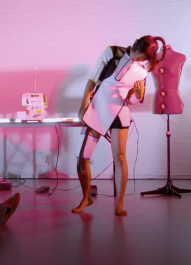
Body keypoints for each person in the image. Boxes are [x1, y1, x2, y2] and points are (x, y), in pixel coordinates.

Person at [74, 36, 166, 215]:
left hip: (119, 112)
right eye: (138, 56)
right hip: (98, 108)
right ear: (135, 46)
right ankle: (86, 198)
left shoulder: (142, 72)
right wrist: (83, 107)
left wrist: (139, 95)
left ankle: (119, 204)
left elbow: (132, 100)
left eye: (143, 60)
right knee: (82, 158)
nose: (139, 61)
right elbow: (92, 80)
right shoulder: (111, 52)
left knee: (120, 157)